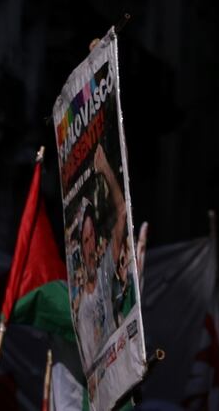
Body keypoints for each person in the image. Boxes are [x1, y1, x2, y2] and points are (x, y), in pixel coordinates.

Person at [74, 143, 130, 369]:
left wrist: (105, 168)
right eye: (85, 240)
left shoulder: (106, 268)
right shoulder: (78, 309)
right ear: (80, 247)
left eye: (91, 238)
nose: (90, 247)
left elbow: (122, 212)